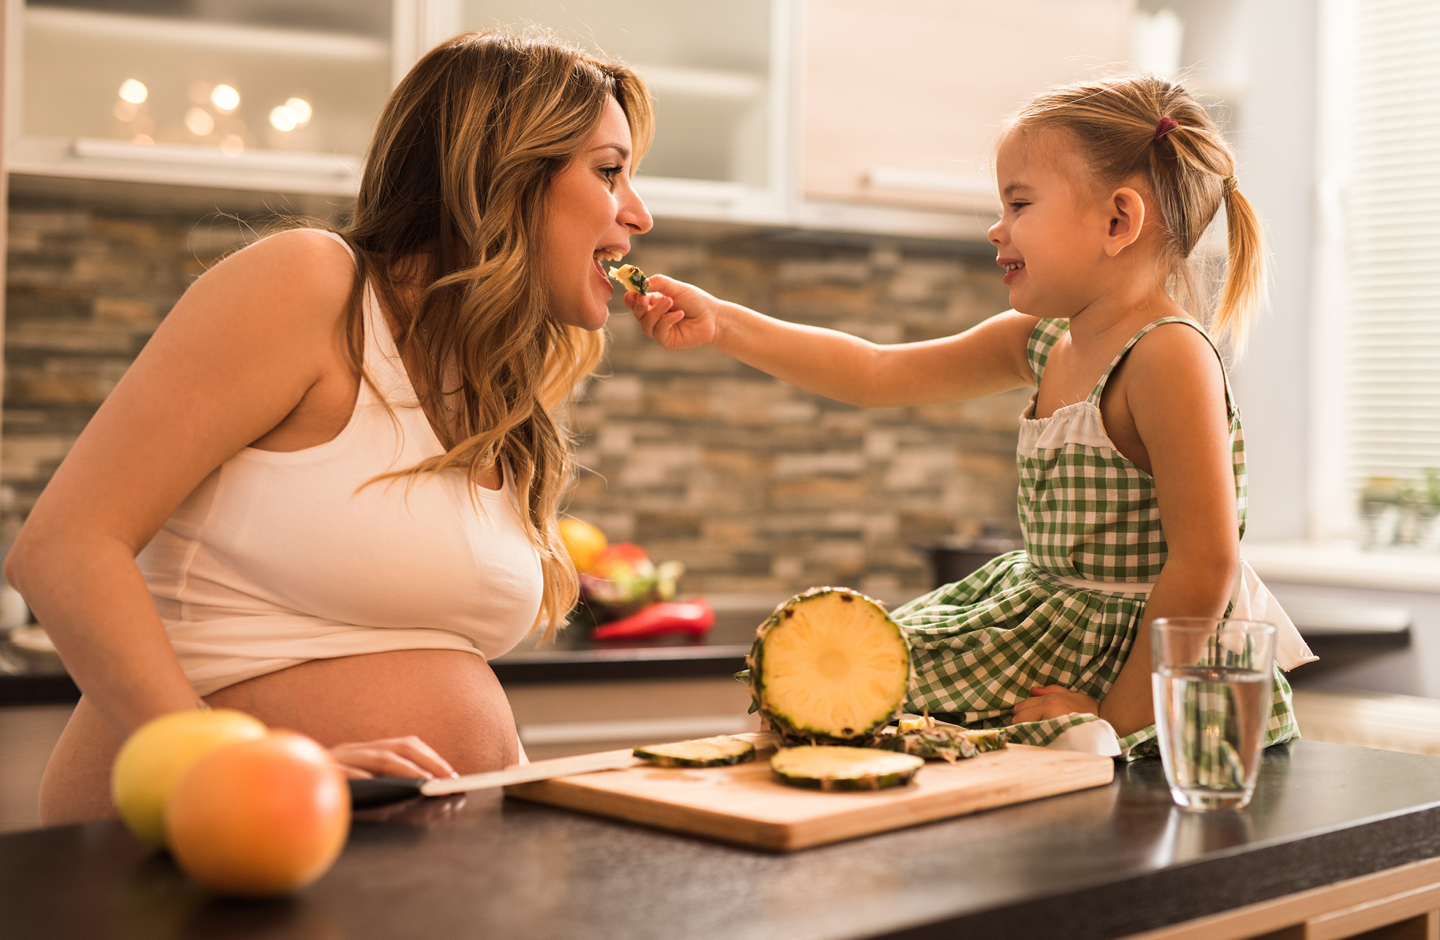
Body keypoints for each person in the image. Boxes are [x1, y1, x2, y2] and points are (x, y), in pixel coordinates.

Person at [7, 29, 655, 824]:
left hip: (402, 868)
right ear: (504, 173)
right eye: (611, 171)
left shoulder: (496, 392)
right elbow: (63, 549)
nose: (639, 213)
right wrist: (233, 769)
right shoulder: (313, 283)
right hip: (202, 845)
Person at [625, 75, 1313, 756]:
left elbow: (1205, 564)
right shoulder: (1043, 341)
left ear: (1117, 221)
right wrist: (722, 322)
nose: (997, 227)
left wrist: (1112, 720)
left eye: (1019, 203)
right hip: (1048, 622)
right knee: (841, 690)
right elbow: (874, 372)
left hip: (1147, 669)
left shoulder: (1168, 356)